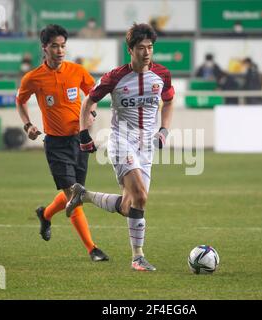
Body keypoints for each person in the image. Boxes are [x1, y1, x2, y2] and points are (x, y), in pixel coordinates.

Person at [65, 23, 174, 271]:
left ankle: (84, 195)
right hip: (121, 140)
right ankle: (138, 257)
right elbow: (89, 100)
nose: (146, 52)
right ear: (130, 49)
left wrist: (164, 130)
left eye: (150, 47)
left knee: (130, 206)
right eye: (141, 48)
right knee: (141, 197)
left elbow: (168, 101)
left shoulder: (162, 75)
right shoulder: (115, 77)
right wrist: (84, 134)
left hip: (146, 146)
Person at [15, 24, 109, 262]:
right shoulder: (33, 78)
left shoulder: (76, 71)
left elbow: (93, 92)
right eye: (54, 46)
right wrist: (28, 125)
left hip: (79, 140)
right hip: (56, 143)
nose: (59, 50)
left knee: (75, 194)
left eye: (63, 46)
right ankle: (92, 249)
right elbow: (20, 101)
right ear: (44, 48)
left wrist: (92, 112)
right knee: (75, 195)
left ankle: (45, 214)